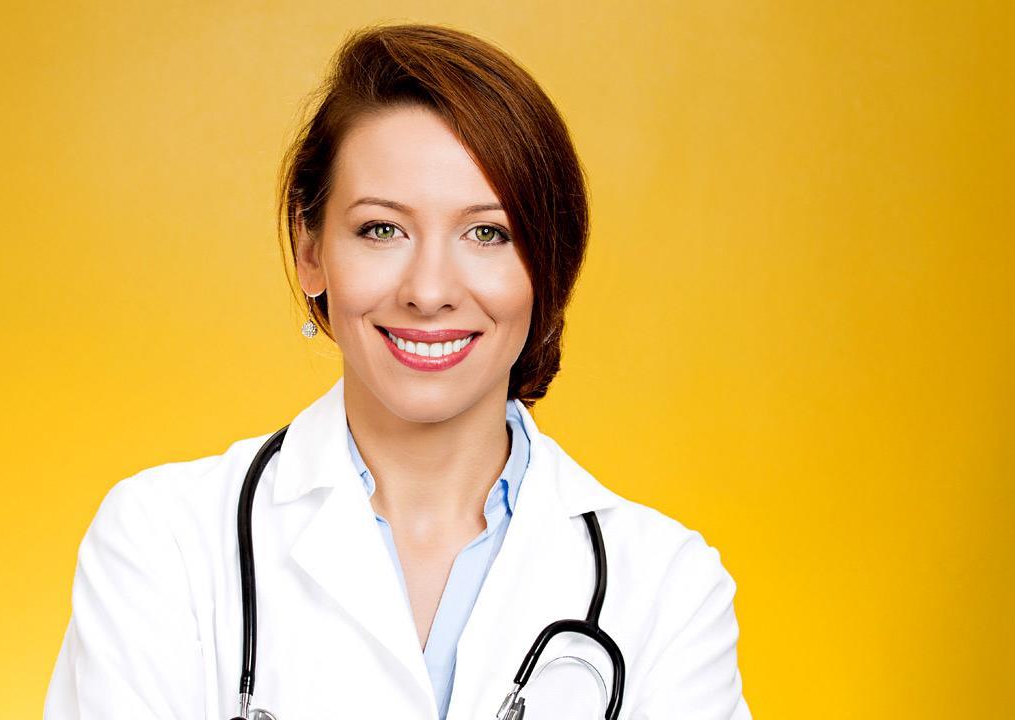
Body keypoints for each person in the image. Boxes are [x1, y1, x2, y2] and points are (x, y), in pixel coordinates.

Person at [44, 23, 750, 720]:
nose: (429, 290)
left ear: (548, 263)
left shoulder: (668, 590)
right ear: (311, 251)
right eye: (382, 229)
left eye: (487, 233)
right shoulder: (162, 543)